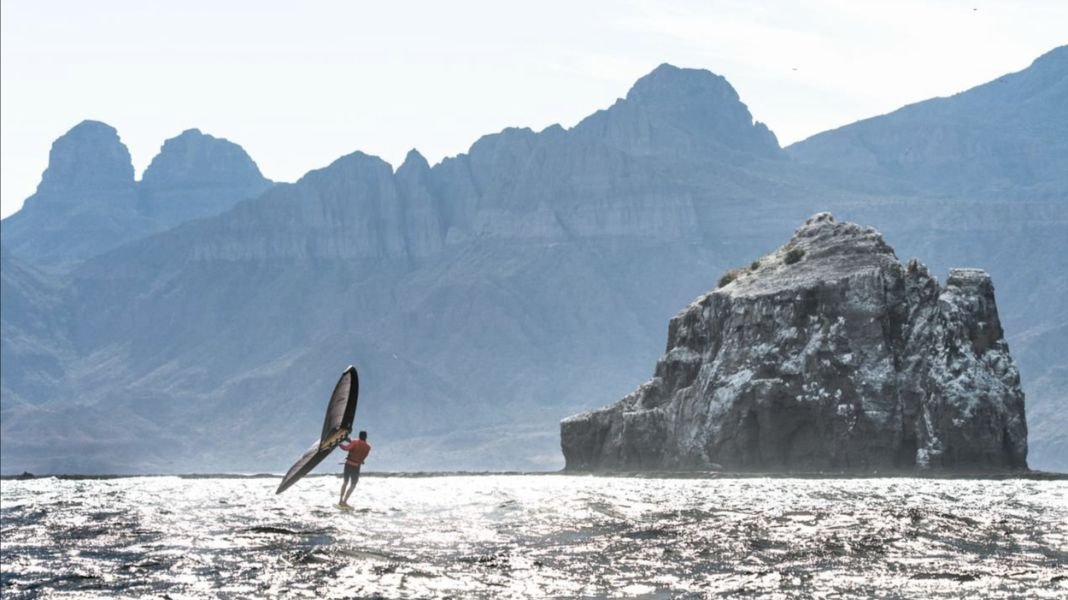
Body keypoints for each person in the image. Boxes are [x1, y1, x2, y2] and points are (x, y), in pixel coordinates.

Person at [338, 430, 371, 508]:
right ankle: (345, 501)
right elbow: (363, 458)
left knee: (345, 482)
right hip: (356, 467)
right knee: (353, 485)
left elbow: (346, 448)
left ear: (359, 436)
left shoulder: (355, 442)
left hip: (348, 464)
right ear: (366, 437)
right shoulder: (368, 447)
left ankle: (340, 500)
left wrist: (339, 444)